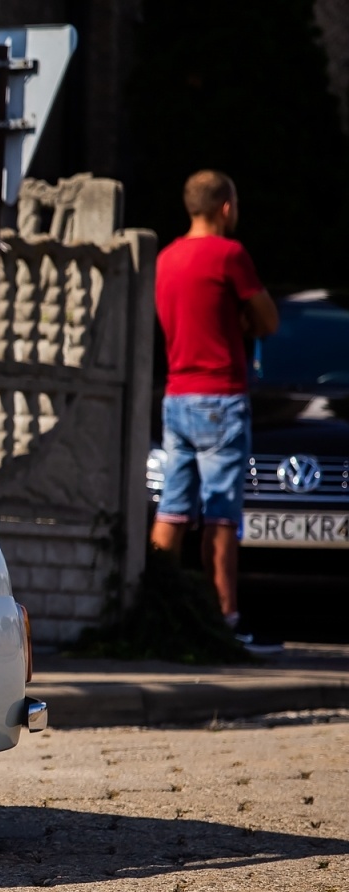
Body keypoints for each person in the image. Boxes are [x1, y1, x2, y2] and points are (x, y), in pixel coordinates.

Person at [151, 170, 279, 646]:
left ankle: (155, 607)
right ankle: (225, 620)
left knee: (172, 508)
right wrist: (245, 321)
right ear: (226, 207)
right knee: (221, 513)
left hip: (177, 394)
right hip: (221, 395)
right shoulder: (229, 255)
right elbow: (268, 320)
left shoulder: (165, 258)